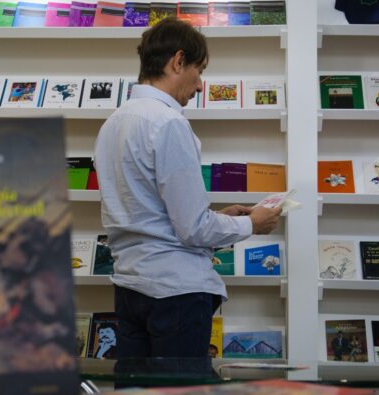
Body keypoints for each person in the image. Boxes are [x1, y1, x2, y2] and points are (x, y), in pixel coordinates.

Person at [93, 17, 281, 359]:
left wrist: (220, 217)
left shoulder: (112, 123)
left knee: (134, 390)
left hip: (129, 287)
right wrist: (251, 224)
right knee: (180, 392)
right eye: (200, 70)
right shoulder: (168, 122)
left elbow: (147, 211)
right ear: (178, 61)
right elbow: (193, 228)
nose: (200, 86)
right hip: (174, 292)